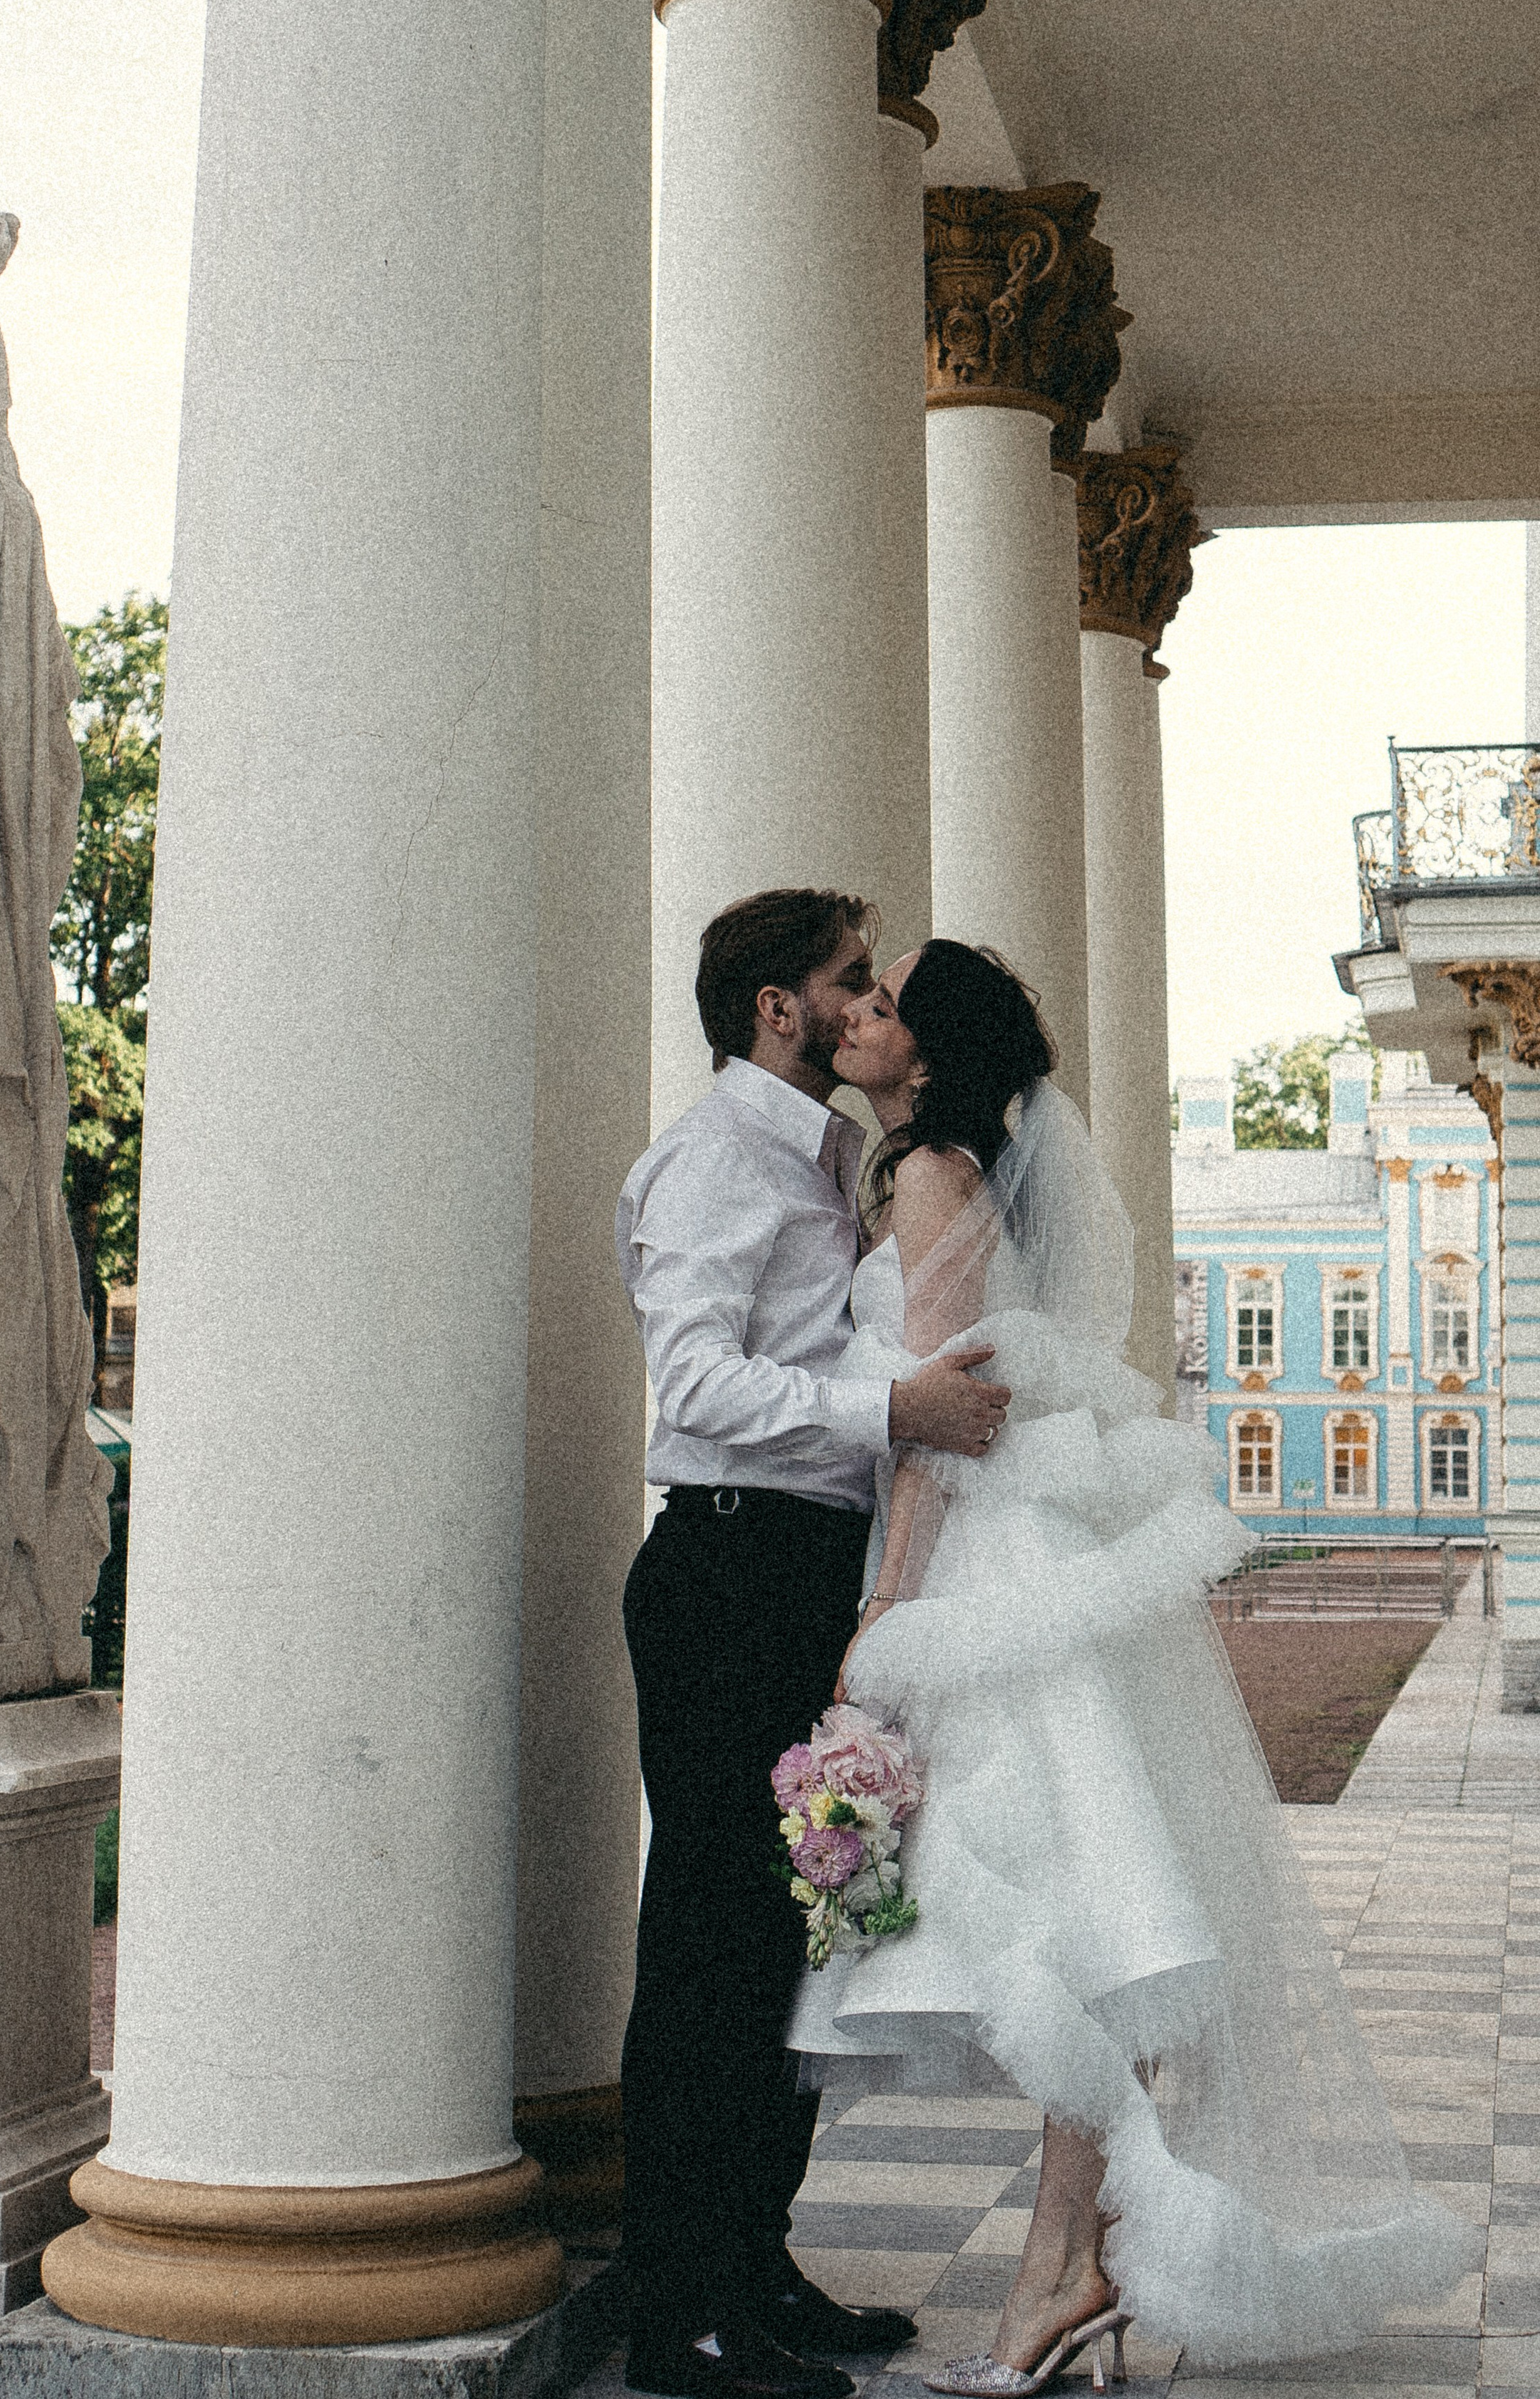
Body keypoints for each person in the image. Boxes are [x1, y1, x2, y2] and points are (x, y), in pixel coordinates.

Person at [793, 940, 1476, 2388]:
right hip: (1035, 1563)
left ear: (926, 1045)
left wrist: (888, 1618)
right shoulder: (964, 1168)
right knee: (1094, 1922)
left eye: (882, 1000)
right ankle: (1069, 2263)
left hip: (987, 1573)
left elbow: (939, 1418)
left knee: (1078, 1927)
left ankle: (1064, 2268)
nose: (857, 1016)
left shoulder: (928, 1179)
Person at [614, 890, 1013, 2399]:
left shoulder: (833, 1157)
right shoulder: (714, 1162)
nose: (864, 1008)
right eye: (847, 984)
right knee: (709, 1948)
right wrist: (889, 1410)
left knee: (791, 1942)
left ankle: (751, 2263)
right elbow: (693, 1387)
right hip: (726, 1572)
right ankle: (679, 2315)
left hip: (802, 1571)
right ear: (775, 1009)